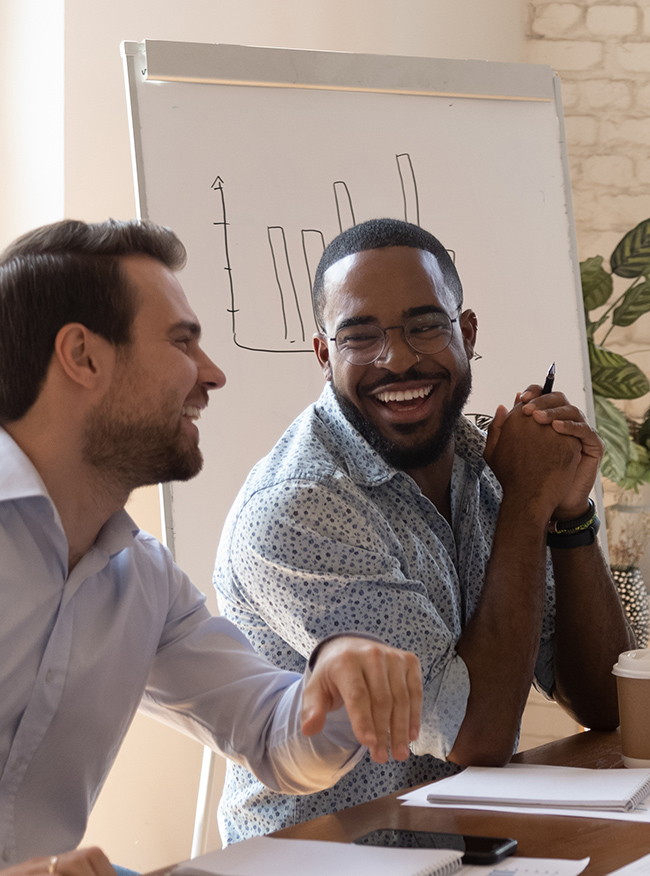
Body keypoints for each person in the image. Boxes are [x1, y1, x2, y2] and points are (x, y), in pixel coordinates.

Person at [0, 220, 424, 876]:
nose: (213, 375)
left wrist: (334, 677)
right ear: (83, 357)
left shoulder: (139, 577)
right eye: (181, 342)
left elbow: (271, 733)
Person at [212, 218, 631, 841]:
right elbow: (476, 734)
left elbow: (606, 704)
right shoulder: (300, 507)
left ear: (465, 333)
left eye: (424, 326)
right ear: (325, 355)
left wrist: (569, 516)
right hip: (329, 861)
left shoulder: (480, 460)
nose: (399, 357)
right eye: (361, 336)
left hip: (462, 844)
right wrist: (525, 501)